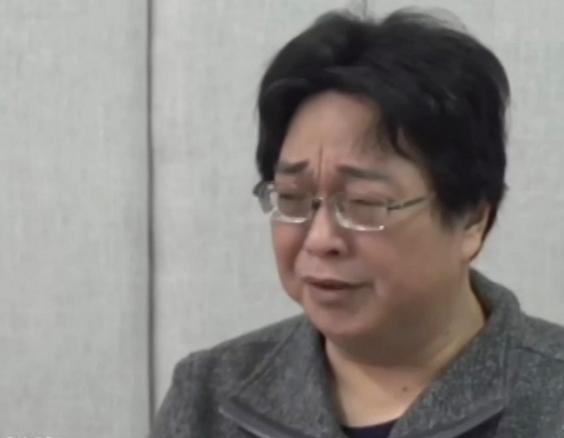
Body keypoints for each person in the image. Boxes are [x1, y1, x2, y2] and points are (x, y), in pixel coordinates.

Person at [150, 8, 564, 438]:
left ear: (472, 220)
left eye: (364, 203)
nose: (320, 239)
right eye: (292, 198)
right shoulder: (207, 397)